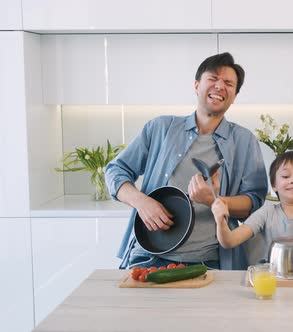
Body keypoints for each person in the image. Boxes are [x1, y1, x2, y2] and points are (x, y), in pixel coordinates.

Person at [105, 52, 268, 270]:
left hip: (210, 261)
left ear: (234, 95)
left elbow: (254, 201)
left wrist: (215, 200)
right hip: (148, 255)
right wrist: (141, 202)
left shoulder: (244, 141)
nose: (220, 86)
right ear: (197, 85)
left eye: (228, 83)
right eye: (213, 79)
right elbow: (116, 170)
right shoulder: (161, 128)